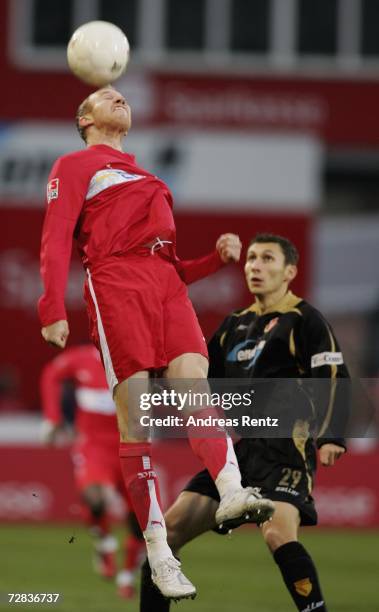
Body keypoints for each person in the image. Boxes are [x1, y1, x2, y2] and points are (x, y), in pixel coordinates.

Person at [38, 86, 274, 600]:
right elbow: (56, 237)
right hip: (115, 283)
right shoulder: (74, 165)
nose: (119, 98)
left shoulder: (149, 176)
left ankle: (232, 493)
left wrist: (213, 259)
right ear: (85, 117)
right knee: (138, 420)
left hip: (164, 285)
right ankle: (159, 551)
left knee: (196, 389)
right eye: (106, 96)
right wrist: (51, 307)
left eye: (123, 95)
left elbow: (167, 264)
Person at [139, 233, 349, 612]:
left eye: (267, 259)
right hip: (240, 453)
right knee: (165, 537)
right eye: (251, 258)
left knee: (277, 535)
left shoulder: (305, 321)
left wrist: (332, 435)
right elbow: (205, 383)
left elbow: (333, 377)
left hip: (286, 447)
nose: (255, 265)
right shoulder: (235, 324)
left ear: (290, 271)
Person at [40, 344, 146, 599]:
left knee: (139, 520)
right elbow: (50, 374)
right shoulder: (81, 358)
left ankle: (127, 576)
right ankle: (105, 542)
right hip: (93, 445)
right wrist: (53, 418)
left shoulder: (138, 356)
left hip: (131, 443)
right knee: (95, 497)